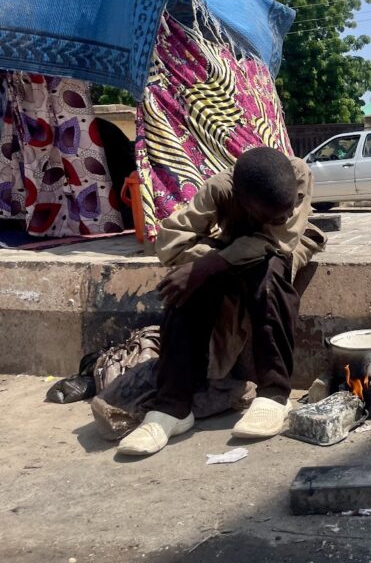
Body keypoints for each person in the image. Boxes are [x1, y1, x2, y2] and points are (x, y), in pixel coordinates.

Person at [117, 147, 326, 456]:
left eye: (283, 213)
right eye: (269, 216)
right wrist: (209, 263)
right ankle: (173, 408)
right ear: (242, 200)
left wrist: (209, 263)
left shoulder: (296, 176)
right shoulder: (220, 189)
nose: (280, 218)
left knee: (270, 277)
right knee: (186, 287)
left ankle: (274, 394)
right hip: (232, 254)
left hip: (281, 252)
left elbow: (278, 240)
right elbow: (170, 245)